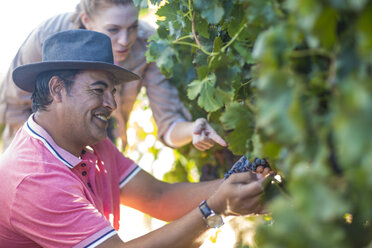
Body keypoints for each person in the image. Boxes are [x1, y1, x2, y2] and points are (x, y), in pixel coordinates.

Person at [0, 29, 270, 248]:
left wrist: (242, 182)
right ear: (57, 89)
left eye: (114, 92)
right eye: (98, 90)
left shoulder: (89, 142)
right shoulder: (34, 179)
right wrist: (215, 209)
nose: (112, 104)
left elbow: (159, 197)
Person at [0, 0, 226, 151]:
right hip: (37, 133)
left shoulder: (149, 44)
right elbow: (15, 105)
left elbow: (168, 124)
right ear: (87, 21)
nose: (125, 40)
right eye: (113, 30)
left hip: (102, 129)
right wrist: (49, 154)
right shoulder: (49, 36)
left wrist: (193, 129)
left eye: (133, 27)